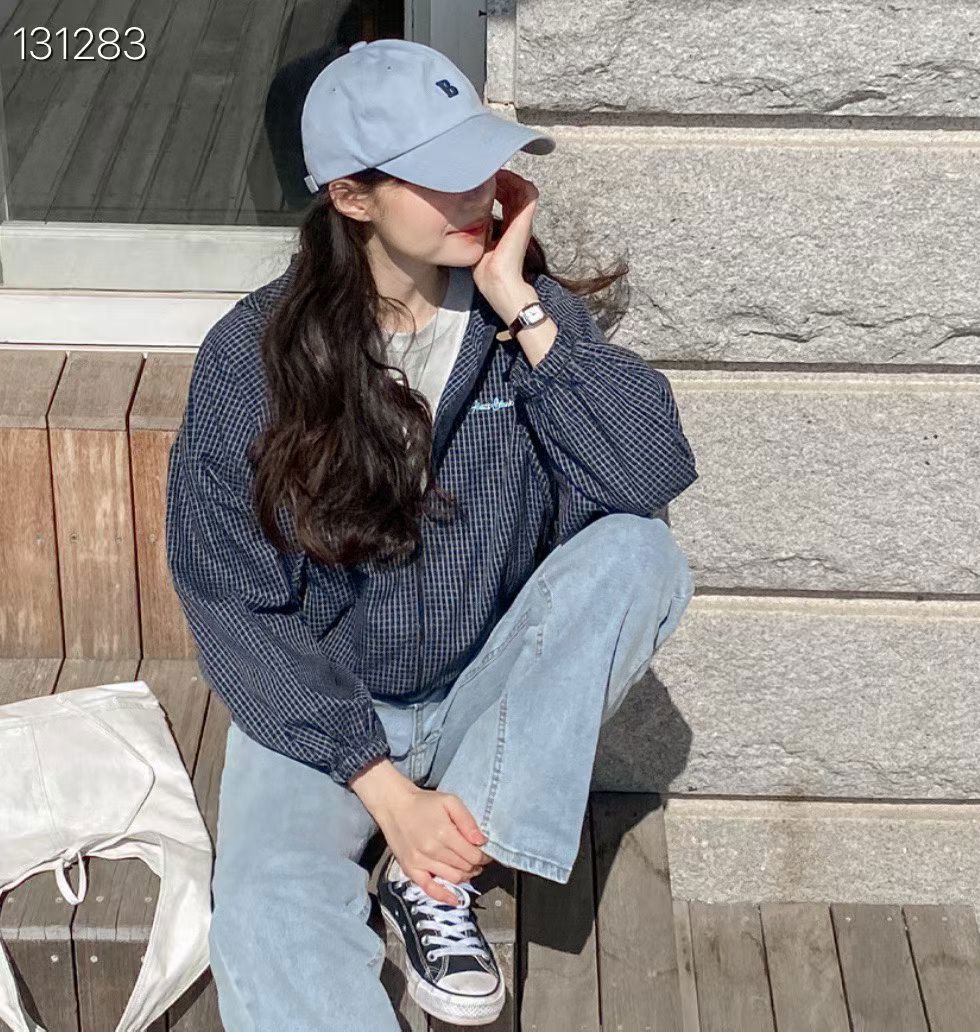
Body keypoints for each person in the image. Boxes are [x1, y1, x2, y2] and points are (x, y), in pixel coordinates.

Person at [164, 38, 698, 1031]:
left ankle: (436, 879)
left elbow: (647, 474)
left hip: (480, 698)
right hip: (323, 710)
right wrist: (383, 791)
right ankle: (424, 845)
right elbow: (231, 599)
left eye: (482, 163)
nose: (477, 193)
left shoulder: (516, 324)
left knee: (640, 553)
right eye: (440, 175)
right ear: (351, 198)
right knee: (269, 911)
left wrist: (523, 305)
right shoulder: (252, 358)